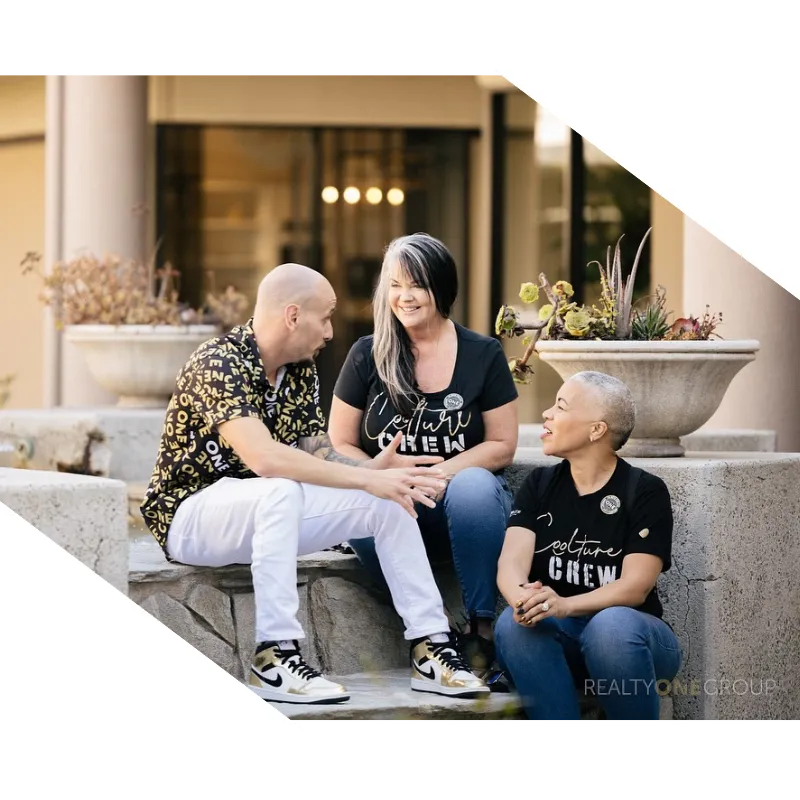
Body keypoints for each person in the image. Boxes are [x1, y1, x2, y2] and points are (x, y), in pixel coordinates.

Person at [140, 263, 488, 705]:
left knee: (386, 501)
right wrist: (364, 478)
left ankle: (431, 649)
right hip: (191, 517)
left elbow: (316, 450)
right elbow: (265, 459)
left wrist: (374, 472)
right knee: (283, 489)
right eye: (324, 318)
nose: (329, 331)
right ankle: (275, 658)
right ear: (292, 316)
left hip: (267, 513)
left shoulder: (299, 369)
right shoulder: (219, 362)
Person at [327, 233, 519, 679]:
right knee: (368, 500)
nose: (405, 297)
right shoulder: (367, 354)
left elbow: (502, 444)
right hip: (393, 504)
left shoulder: (483, 354)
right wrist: (380, 474)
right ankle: (437, 633)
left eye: (416, 284)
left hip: (462, 511)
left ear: (442, 286)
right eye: (395, 285)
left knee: (474, 486)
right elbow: (338, 443)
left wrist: (442, 473)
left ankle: (480, 630)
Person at [494, 370, 682, 724]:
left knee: (610, 626)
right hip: (560, 640)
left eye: (561, 406)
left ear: (597, 430)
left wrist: (565, 605)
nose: (547, 414)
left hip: (633, 644)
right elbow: (511, 565)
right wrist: (525, 601)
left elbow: (635, 587)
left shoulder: (644, 491)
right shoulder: (540, 484)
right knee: (515, 623)